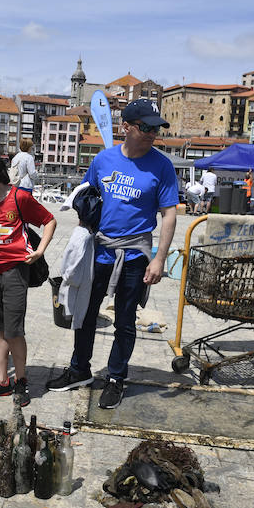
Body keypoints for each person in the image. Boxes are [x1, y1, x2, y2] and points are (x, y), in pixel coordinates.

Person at [47, 98, 179, 409]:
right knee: (84, 313)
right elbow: (86, 195)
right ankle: (80, 370)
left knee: (125, 322)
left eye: (156, 129)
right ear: (126, 127)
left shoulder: (162, 166)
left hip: (134, 255)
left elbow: (169, 214)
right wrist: (81, 232)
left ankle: (117, 377)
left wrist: (159, 258)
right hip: (99, 250)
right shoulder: (103, 160)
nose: (151, 134)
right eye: (145, 127)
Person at [0, 147, 57, 407]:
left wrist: (39, 251)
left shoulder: (19, 199)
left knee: (14, 330)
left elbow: (49, 221)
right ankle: (1, 380)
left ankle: (21, 381)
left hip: (15, 271)